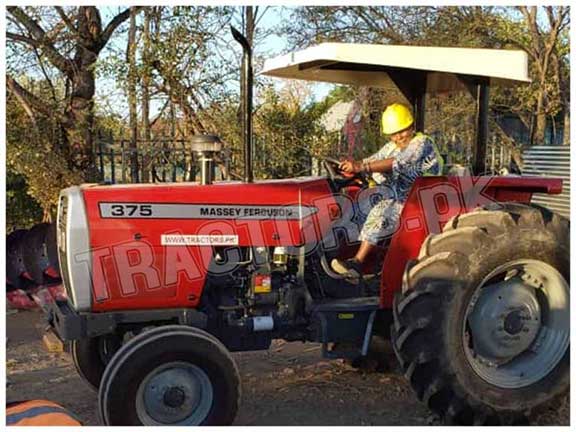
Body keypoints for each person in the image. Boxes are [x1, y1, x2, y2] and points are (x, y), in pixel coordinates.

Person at [331, 103, 443, 279]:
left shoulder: (421, 143)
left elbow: (398, 162)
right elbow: (373, 160)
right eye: (394, 133)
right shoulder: (391, 147)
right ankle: (335, 256)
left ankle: (357, 264)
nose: (399, 137)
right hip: (398, 198)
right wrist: (349, 167)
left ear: (411, 126)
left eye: (402, 131)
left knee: (382, 211)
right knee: (355, 206)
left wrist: (361, 166)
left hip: (420, 203)